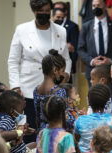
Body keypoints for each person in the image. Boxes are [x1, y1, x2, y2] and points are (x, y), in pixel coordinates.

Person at [8, 0, 72, 143]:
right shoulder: (22, 30)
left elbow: (67, 58)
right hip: (28, 89)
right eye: (40, 11)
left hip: (54, 88)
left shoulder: (61, 31)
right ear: (33, 10)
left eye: (46, 11)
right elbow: (13, 60)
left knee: (54, 130)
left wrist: (66, 73)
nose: (43, 14)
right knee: (30, 129)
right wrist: (15, 86)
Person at [77, 0, 112, 85]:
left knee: (111, 97)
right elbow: (80, 49)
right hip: (92, 71)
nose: (96, 8)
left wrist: (110, 60)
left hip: (110, 71)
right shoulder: (86, 26)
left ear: (105, 6)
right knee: (95, 97)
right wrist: (92, 61)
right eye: (93, 6)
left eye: (98, 5)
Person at [34, 49, 67, 130]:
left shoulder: (36, 90)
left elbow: (37, 116)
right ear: (55, 70)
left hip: (42, 132)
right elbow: (63, 118)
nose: (63, 74)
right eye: (62, 71)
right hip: (56, 132)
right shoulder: (60, 91)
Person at [52, 3, 79, 75]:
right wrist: (64, 44)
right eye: (58, 17)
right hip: (51, 64)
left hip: (65, 64)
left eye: (62, 17)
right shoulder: (49, 27)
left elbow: (73, 49)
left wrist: (72, 67)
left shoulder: (72, 26)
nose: (60, 19)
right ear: (53, 16)